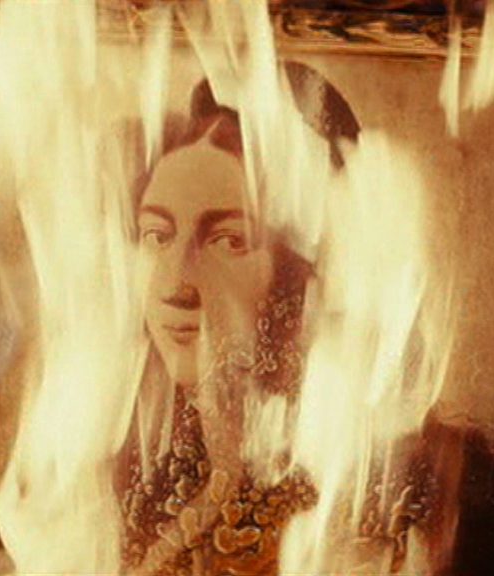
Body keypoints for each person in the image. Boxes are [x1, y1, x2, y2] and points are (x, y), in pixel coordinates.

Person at [115, 62, 359, 575]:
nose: (176, 284)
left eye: (228, 240)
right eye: (157, 235)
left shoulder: (348, 473)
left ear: (300, 271)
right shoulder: (138, 450)